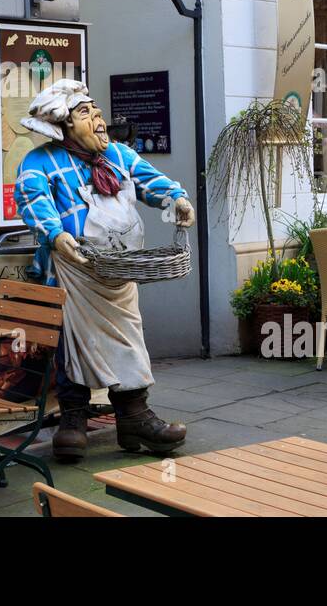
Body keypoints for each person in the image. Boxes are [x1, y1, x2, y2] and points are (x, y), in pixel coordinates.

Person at [13, 79, 195, 462]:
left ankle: (135, 416)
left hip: (117, 274)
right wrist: (56, 233)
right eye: (85, 113)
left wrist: (176, 198)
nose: (98, 120)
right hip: (72, 273)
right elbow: (31, 198)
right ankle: (73, 420)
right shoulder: (39, 161)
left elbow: (151, 182)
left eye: (97, 112)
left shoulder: (120, 155)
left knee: (128, 339)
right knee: (72, 346)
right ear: (63, 125)